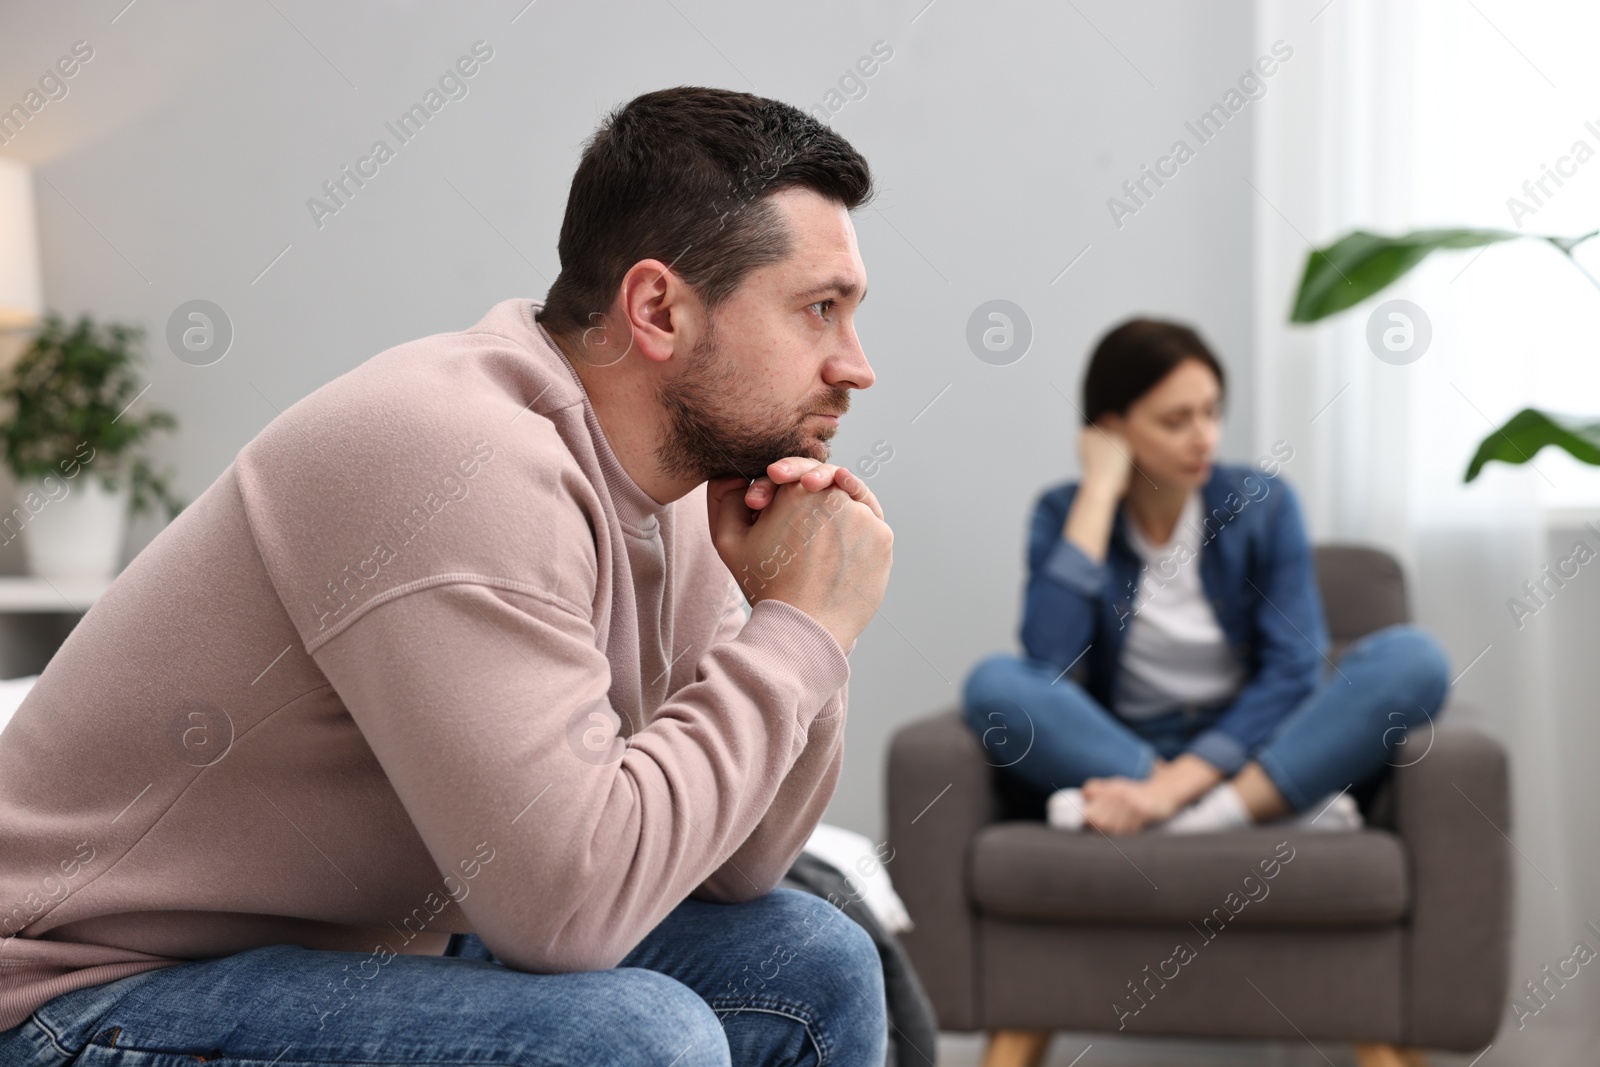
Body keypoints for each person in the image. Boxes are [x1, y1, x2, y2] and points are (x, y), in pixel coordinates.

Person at [0, 87, 893, 1066]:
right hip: (74, 990)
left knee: (814, 958)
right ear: (657, 309)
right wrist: (801, 630)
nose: (856, 366)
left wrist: (794, 616)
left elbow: (737, 865)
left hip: (334, 952)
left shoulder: (674, 490)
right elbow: (570, 914)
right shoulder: (456, 458)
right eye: (819, 310)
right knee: (634, 1041)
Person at [962, 318, 1451, 836]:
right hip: (1130, 746)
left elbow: (1294, 669)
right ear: (1113, 430)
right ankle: (1265, 809)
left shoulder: (1264, 504)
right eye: (1176, 421)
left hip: (1261, 739)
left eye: (1212, 413)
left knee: (1415, 658)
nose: (1205, 438)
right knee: (993, 683)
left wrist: (1171, 790)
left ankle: (1194, 816)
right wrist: (1099, 494)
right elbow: (1049, 660)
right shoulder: (1064, 512)